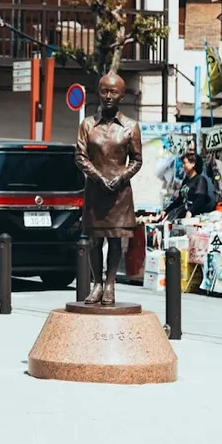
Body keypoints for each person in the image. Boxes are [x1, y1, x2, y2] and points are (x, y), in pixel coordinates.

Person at [75, 72, 143, 307]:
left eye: (113, 92)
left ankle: (111, 283)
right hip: (95, 190)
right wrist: (98, 177)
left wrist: (121, 178)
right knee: (95, 240)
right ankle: (97, 284)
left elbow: (137, 160)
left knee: (115, 240)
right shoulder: (88, 125)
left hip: (119, 193)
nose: (108, 96)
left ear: (122, 95)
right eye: (104, 91)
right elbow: (80, 157)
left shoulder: (130, 127)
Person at [164, 152, 209, 221]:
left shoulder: (200, 180)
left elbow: (200, 199)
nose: (183, 165)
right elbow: (179, 200)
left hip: (194, 217)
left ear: (193, 164)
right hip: (184, 215)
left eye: (185, 163)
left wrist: (190, 211)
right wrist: (166, 211)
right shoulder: (186, 180)